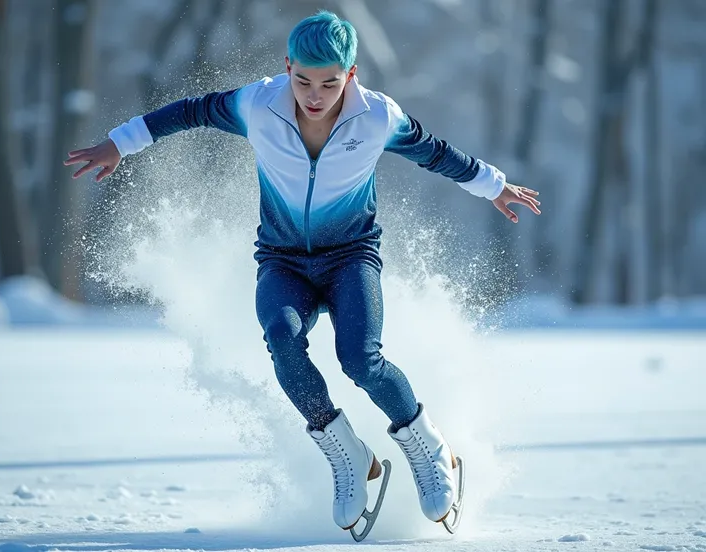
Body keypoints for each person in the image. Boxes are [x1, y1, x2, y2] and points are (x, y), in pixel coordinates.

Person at [65, 10, 540, 535]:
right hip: (283, 260)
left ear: (351, 76)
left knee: (360, 358)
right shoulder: (257, 106)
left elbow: (435, 152)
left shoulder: (378, 118)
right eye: (304, 80)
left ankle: (430, 450)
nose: (315, 94)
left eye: (330, 83)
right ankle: (349, 455)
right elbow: (190, 111)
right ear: (287, 67)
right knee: (282, 338)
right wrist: (120, 142)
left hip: (351, 257)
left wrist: (494, 185)